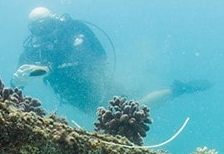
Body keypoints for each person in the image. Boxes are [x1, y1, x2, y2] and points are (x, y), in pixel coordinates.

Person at [13, 7, 212, 114]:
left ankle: (176, 89)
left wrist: (50, 68)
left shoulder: (73, 31)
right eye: (35, 28)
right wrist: (17, 82)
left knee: (135, 107)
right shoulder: (35, 49)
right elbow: (18, 77)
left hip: (97, 85)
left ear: (54, 20)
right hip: (77, 98)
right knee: (101, 117)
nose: (41, 31)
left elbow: (94, 56)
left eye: (44, 25)